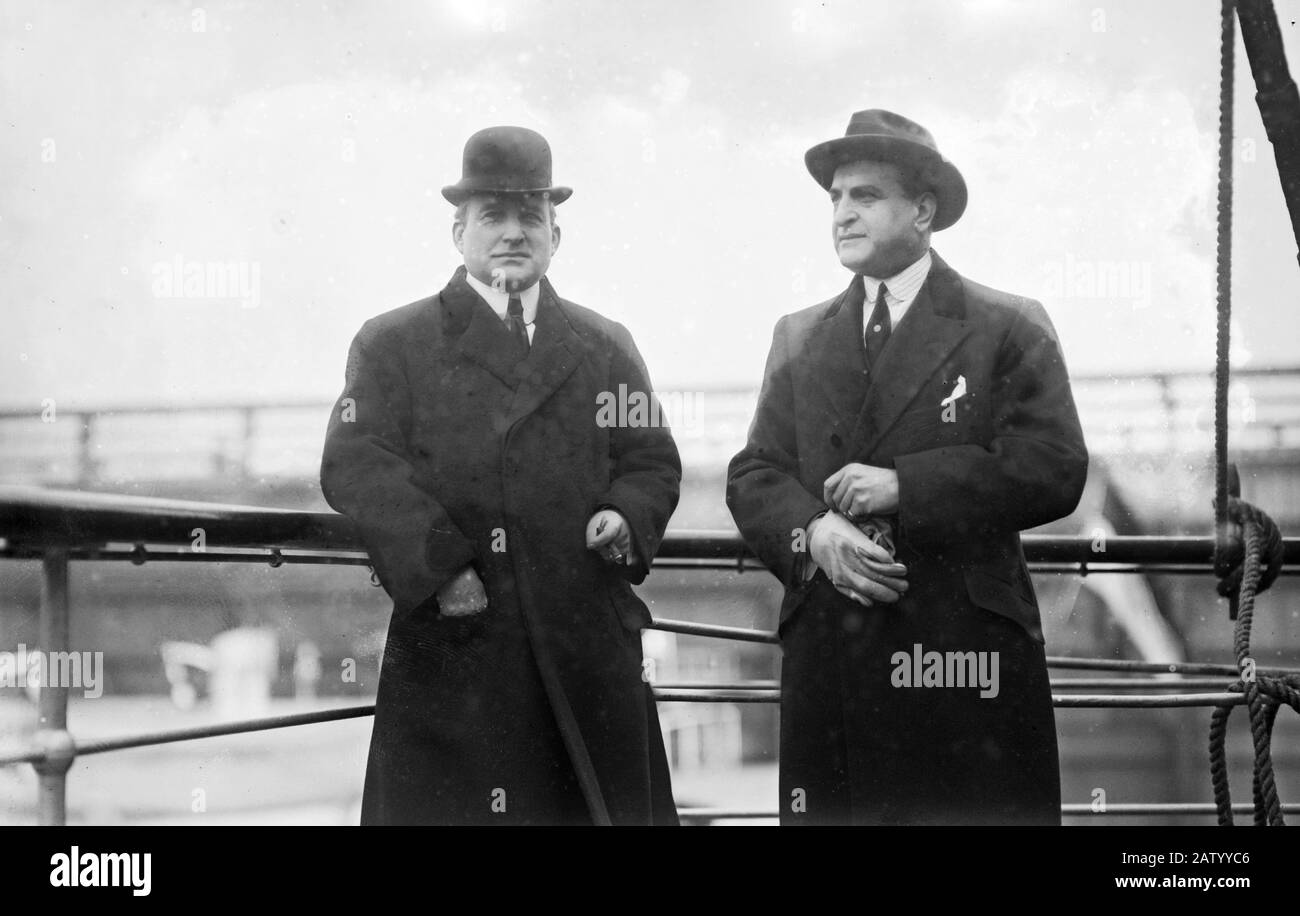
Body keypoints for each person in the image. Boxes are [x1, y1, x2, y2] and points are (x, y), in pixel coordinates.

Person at [726, 109, 1089, 825]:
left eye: (865, 196)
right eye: (835, 198)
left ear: (922, 211)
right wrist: (812, 535)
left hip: (964, 664)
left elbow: (1054, 466)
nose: (842, 213)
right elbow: (755, 472)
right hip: (835, 657)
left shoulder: (1005, 325)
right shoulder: (798, 337)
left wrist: (907, 486)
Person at [321, 126, 681, 825]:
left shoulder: (605, 345)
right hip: (463, 644)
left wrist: (627, 514)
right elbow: (356, 462)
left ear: (556, 234)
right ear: (459, 233)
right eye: (493, 216)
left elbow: (651, 458)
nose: (513, 233)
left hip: (587, 649)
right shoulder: (395, 343)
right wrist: (441, 566)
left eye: (531, 216)